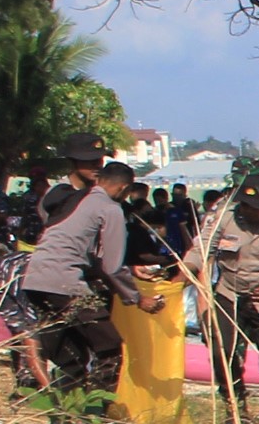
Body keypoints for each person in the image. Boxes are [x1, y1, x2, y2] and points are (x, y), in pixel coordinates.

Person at [15, 143, 161, 397]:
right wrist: (138, 298)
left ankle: (65, 414)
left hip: (34, 281)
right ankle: (98, 413)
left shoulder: (73, 198)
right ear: (124, 189)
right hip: (66, 283)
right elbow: (111, 265)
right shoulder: (110, 208)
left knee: (71, 357)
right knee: (110, 348)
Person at [182, 163, 259, 424]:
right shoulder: (224, 217)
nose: (248, 211)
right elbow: (201, 251)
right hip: (230, 294)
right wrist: (185, 272)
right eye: (245, 205)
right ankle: (235, 411)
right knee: (222, 352)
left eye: (255, 207)